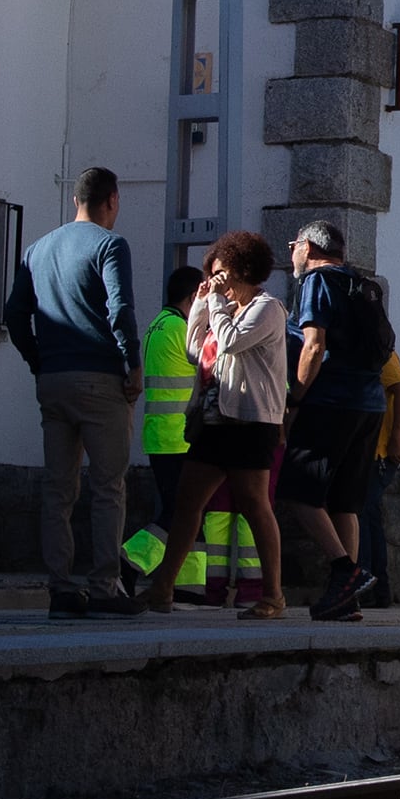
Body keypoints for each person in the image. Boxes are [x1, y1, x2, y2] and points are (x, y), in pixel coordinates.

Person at [140, 230, 291, 620]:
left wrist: (218, 303)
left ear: (242, 270)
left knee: (255, 506)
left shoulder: (267, 309)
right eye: (213, 273)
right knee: (188, 504)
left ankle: (272, 594)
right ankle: (162, 587)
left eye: (222, 272)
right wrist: (204, 305)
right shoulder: (224, 308)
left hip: (250, 423)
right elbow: (196, 349)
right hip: (213, 423)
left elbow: (230, 342)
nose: (216, 280)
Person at [16, 167, 145, 620]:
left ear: (76, 200)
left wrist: (39, 360)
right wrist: (133, 364)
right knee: (108, 486)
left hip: (53, 380)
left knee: (58, 489)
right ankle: (105, 586)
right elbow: (120, 308)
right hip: (99, 378)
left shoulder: (37, 250)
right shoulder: (110, 245)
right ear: (111, 200)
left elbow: (15, 315)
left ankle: (60, 588)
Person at [280, 223, 400, 622]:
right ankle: (345, 599)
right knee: (345, 501)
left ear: (308, 247)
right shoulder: (361, 285)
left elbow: (314, 346)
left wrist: (295, 399)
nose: (291, 254)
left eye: (293, 245)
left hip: (329, 401)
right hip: (368, 404)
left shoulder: (318, 282)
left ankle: (344, 570)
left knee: (297, 490)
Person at [129, 261, 203, 611]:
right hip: (181, 437)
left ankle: (188, 586)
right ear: (192, 297)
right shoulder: (182, 329)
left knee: (190, 510)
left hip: (159, 434)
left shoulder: (156, 325)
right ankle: (130, 562)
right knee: (180, 512)